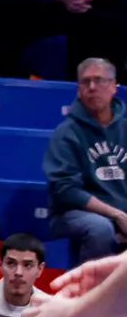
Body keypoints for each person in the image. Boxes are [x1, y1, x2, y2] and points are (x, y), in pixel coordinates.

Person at [45, 58, 127, 265]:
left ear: (114, 86)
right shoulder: (67, 133)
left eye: (99, 80)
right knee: (100, 228)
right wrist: (116, 216)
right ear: (79, 90)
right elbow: (65, 190)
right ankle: (93, 294)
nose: (91, 87)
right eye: (85, 82)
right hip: (75, 214)